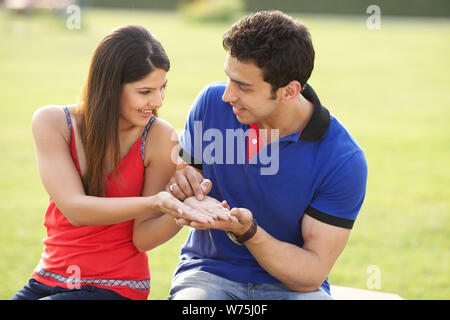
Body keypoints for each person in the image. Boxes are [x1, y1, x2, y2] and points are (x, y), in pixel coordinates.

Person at [11, 24, 225, 300]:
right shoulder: (53, 123)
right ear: (110, 86)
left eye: (162, 88)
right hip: (47, 279)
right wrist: (155, 202)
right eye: (145, 91)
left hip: (115, 287)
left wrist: (182, 212)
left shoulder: (159, 137)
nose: (158, 100)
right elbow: (76, 209)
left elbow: (143, 237)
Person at [167, 11, 368, 300]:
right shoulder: (211, 104)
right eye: (229, 79)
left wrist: (249, 232)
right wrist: (183, 182)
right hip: (209, 275)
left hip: (293, 288)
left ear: (289, 92)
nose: (227, 95)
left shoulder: (342, 160)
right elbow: (180, 170)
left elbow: (310, 273)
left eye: (244, 87)